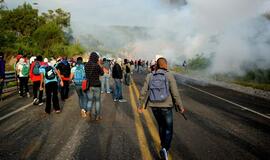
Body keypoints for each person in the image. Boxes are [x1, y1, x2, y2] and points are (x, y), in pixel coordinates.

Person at [138, 57, 185, 160]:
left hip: (154, 106)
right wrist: (180, 107)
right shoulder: (169, 75)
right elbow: (175, 94)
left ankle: (163, 145)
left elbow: (143, 91)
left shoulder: (150, 76)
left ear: (157, 65)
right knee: (168, 129)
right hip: (166, 106)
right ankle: (165, 148)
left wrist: (140, 105)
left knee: (161, 126)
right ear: (166, 65)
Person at [85, 52, 104, 121]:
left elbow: (86, 74)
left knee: (90, 100)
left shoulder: (86, 65)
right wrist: (99, 64)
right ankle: (97, 116)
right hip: (97, 85)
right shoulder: (97, 65)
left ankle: (88, 112)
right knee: (97, 101)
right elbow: (102, 73)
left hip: (89, 85)